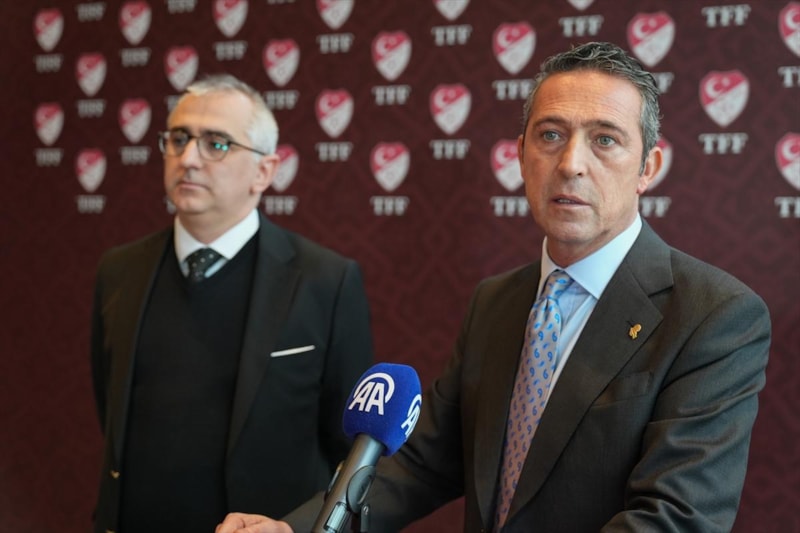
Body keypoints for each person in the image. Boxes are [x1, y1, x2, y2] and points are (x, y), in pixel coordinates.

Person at [216, 42, 771, 533]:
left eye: (605, 140)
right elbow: (422, 462)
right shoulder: (496, 302)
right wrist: (295, 529)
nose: (571, 164)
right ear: (521, 155)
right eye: (550, 135)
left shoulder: (713, 315)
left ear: (648, 166)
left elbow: (675, 518)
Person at [90, 74, 373, 533]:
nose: (188, 159)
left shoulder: (326, 281)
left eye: (216, 144)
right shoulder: (118, 271)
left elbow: (352, 450)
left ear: (265, 171)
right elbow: (111, 409)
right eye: (178, 139)